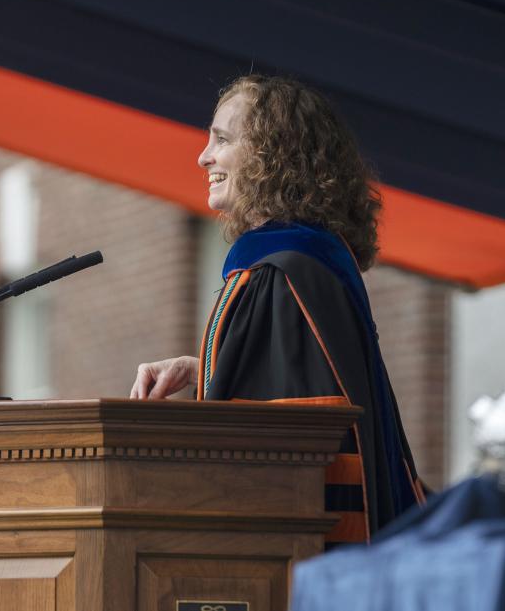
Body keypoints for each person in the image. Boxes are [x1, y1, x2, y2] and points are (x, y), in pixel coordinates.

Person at [130, 75, 426, 546]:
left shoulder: (279, 274)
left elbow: (276, 438)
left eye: (222, 139)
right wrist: (201, 369)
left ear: (275, 153)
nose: (203, 156)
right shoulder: (308, 265)